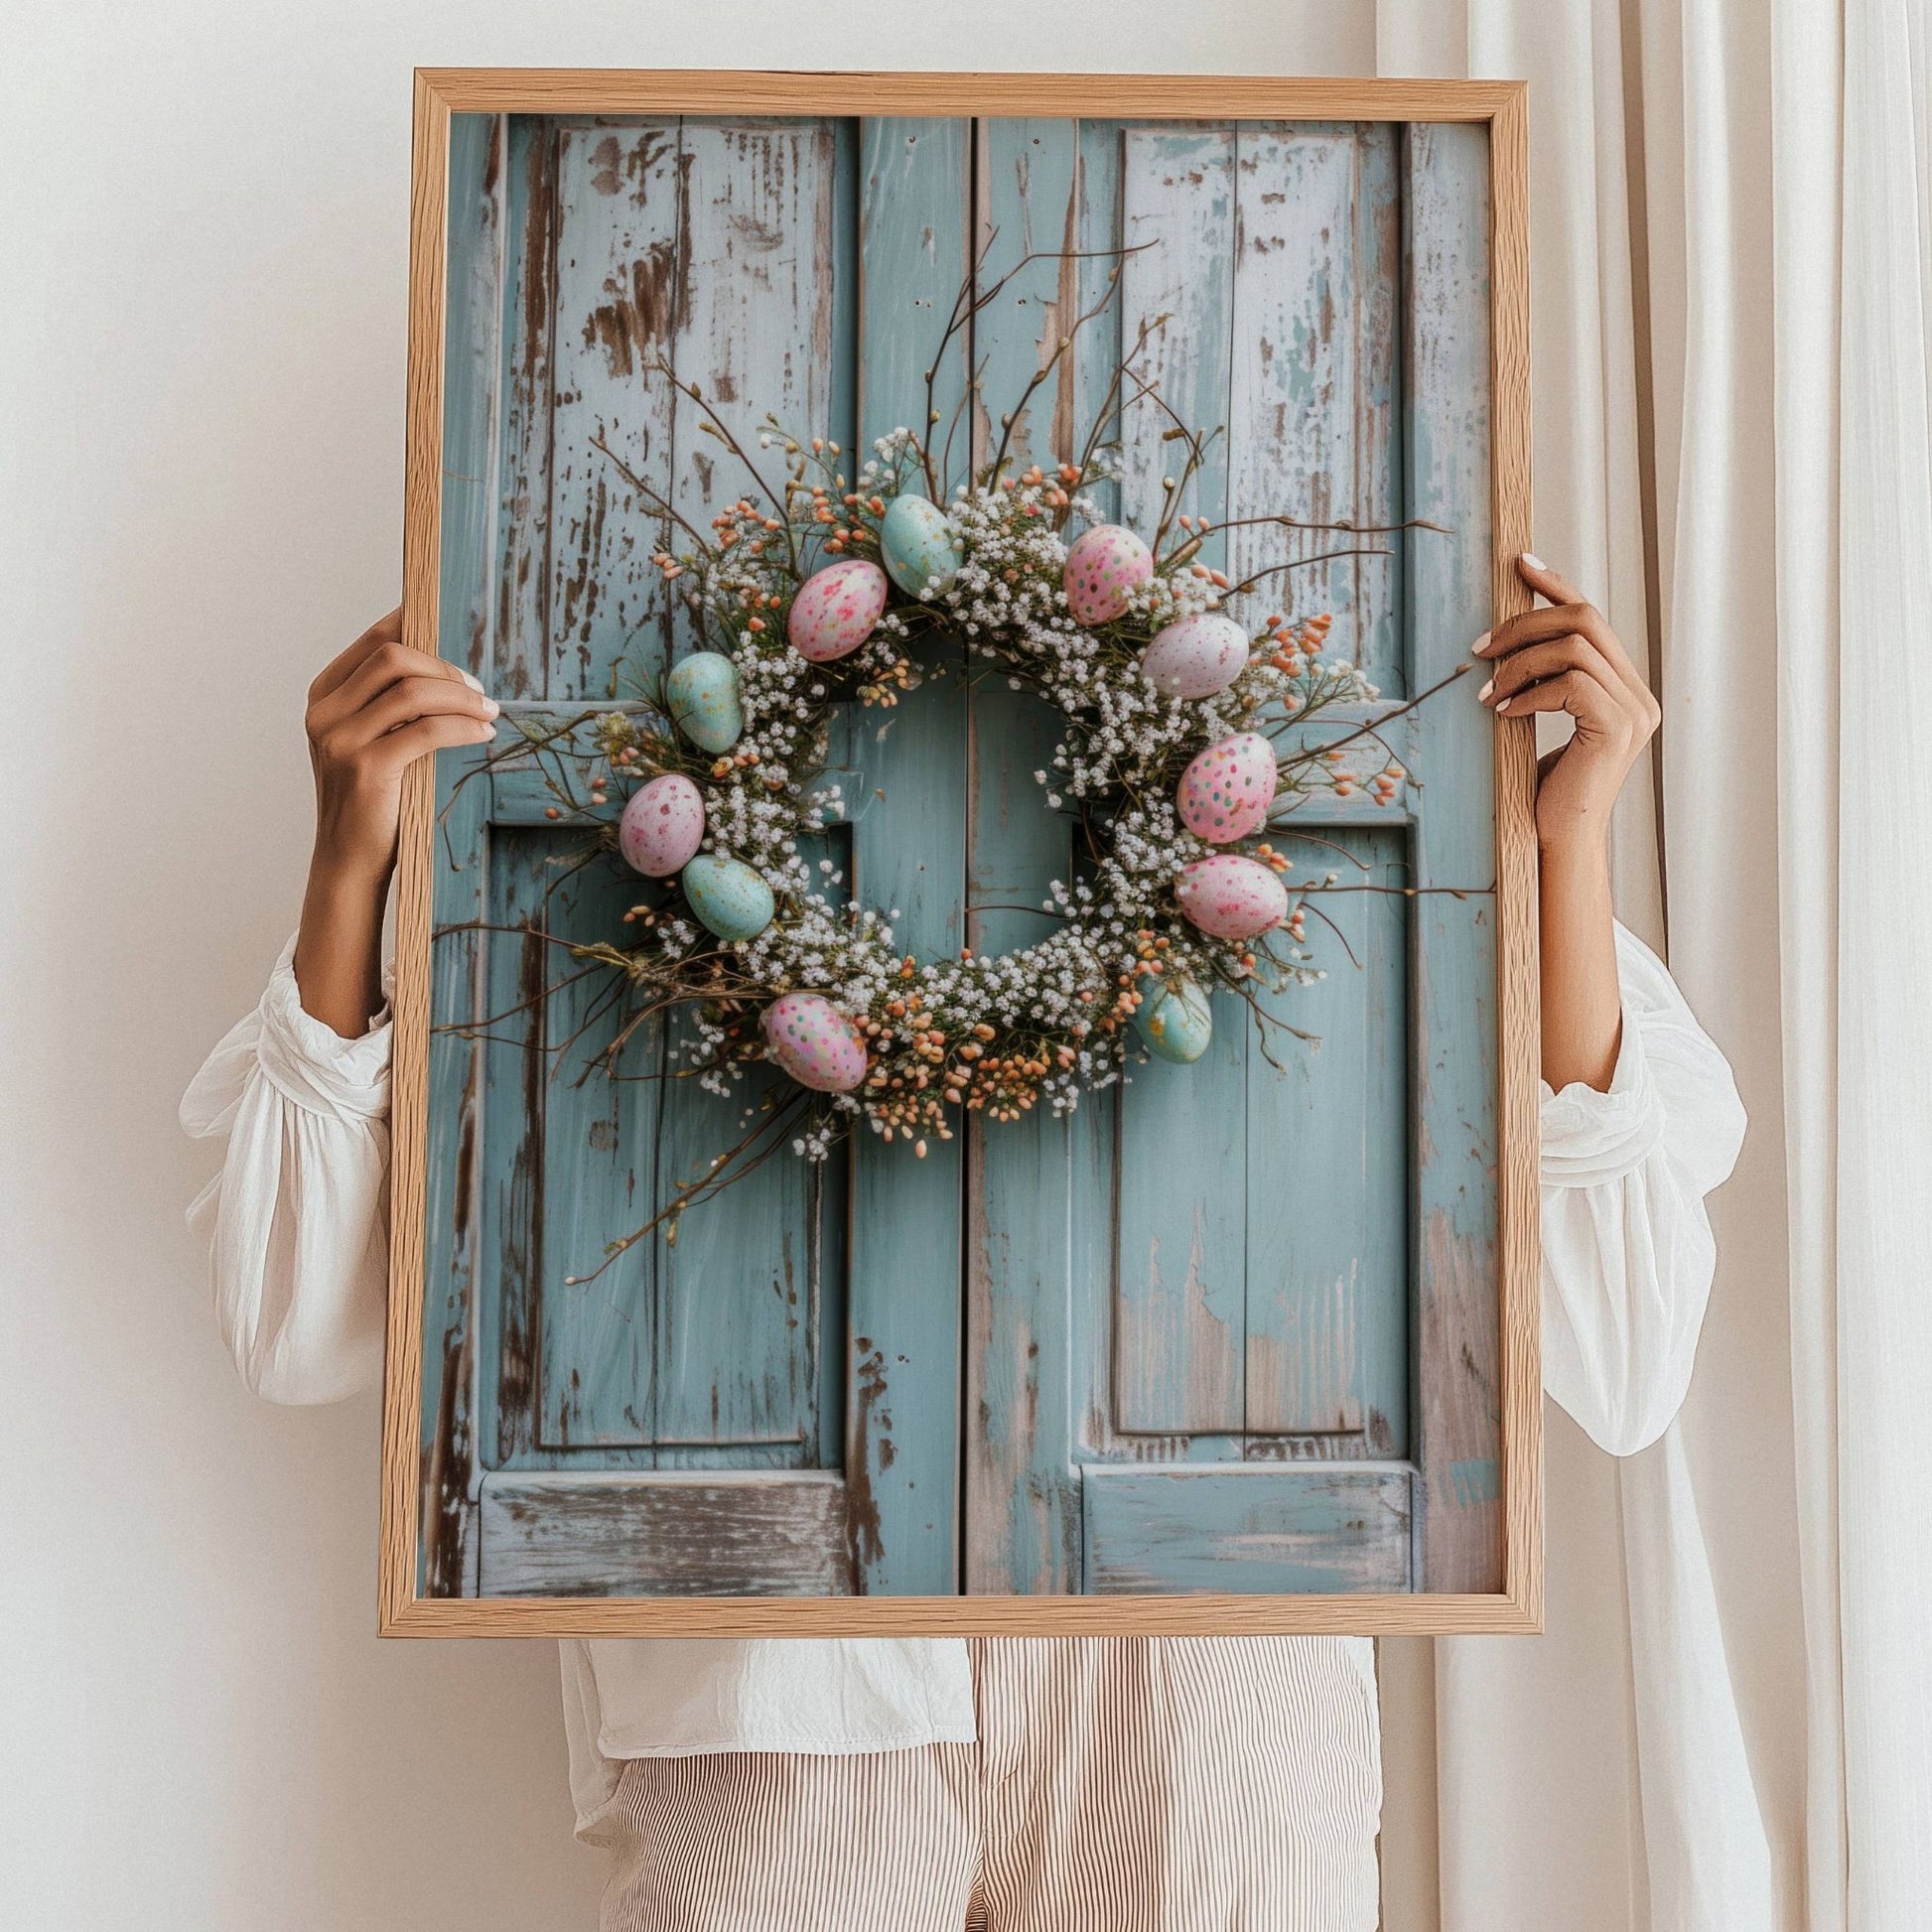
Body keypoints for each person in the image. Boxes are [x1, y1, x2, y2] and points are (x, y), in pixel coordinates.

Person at [181, 554, 1744, 1931]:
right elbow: (298, 1322)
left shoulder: (1330, 809)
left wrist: (1565, 840)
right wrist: (350, 859)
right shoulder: (606, 768)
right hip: (783, 1675)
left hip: (1203, 1654)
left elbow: (1617, 1359)